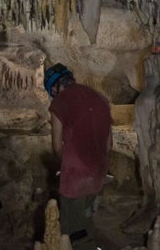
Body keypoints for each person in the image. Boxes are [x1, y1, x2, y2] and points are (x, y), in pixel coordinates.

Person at [44, 63, 112, 250]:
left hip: (75, 177)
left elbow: (57, 146)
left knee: (73, 234)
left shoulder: (60, 102)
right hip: (98, 173)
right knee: (86, 220)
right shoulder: (100, 99)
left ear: (56, 87)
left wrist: (63, 166)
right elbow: (109, 145)